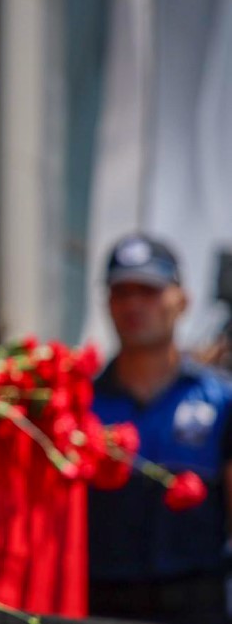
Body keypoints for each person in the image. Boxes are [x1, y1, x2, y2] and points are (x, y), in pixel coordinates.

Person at [88, 233, 232, 624]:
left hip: (199, 605)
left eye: (149, 290)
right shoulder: (81, 403)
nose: (134, 304)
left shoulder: (221, 400)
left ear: (182, 300)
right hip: (100, 605)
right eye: (122, 292)